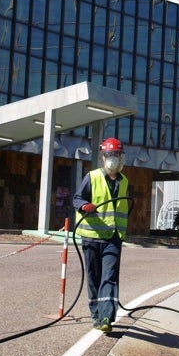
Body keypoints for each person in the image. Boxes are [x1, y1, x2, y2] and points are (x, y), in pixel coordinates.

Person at [73, 137, 129, 333]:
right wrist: (84, 206)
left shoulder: (125, 181)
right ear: (103, 158)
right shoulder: (92, 177)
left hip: (114, 237)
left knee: (110, 277)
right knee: (94, 278)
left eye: (116, 155)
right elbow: (77, 198)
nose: (113, 158)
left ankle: (107, 316)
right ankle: (96, 315)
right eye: (109, 155)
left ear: (121, 157)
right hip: (91, 236)